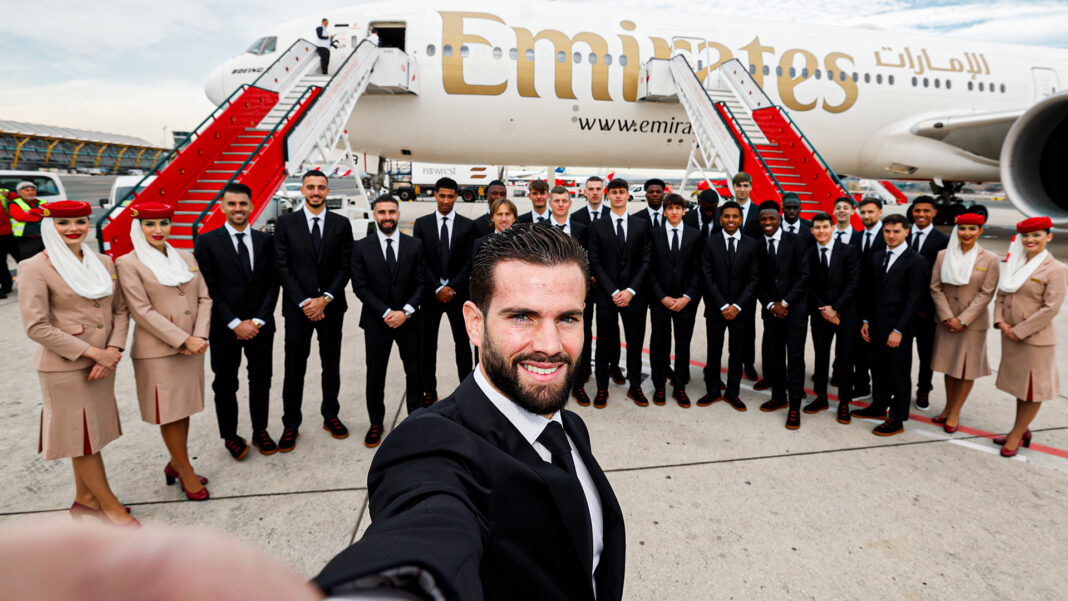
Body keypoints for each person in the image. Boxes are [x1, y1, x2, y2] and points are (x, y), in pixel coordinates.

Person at [315, 223, 626, 601]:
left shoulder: (568, 427)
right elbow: (424, 538)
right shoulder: (430, 446)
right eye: (521, 317)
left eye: (567, 318)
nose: (550, 345)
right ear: (474, 323)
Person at [17, 200, 137, 526]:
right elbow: (36, 326)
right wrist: (95, 353)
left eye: (80, 221)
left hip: (103, 362)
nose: (74, 228)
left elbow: (120, 311)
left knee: (88, 435)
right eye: (64, 222)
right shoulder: (35, 267)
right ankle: (109, 506)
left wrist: (112, 349)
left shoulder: (102, 261)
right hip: (66, 367)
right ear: (49, 227)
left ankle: (85, 501)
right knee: (83, 441)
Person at [116, 203, 212, 501]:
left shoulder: (184, 256)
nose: (158, 230)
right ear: (138, 227)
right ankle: (185, 471)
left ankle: (176, 463)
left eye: (164, 223)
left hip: (192, 346)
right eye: (150, 224)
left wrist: (199, 335)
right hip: (159, 351)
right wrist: (184, 339)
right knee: (169, 414)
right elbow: (140, 310)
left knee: (183, 410)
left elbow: (205, 298)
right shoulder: (128, 263)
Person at [193, 183, 280, 460]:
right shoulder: (206, 242)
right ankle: (230, 435)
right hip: (224, 328)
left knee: (261, 379)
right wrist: (234, 322)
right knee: (226, 383)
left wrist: (257, 321)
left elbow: (272, 284)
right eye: (232, 204)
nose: (238, 209)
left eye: (243, 204)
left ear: (252, 206)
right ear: (222, 207)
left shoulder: (266, 241)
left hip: (260, 326)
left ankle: (260, 430)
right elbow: (210, 288)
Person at [275, 169, 354, 452]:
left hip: (331, 308)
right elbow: (282, 266)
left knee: (330, 366)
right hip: (298, 310)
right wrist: (306, 302)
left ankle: (330, 415)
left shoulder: (341, 224)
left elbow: (346, 265)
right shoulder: (286, 223)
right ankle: (290, 423)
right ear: (303, 190)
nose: (316, 191)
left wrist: (326, 298)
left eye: (321, 187)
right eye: (311, 187)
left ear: (327, 191)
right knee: (294, 368)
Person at [350, 195, 426, 448]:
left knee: (414, 373)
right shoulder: (361, 247)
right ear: (374, 215)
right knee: (375, 374)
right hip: (376, 322)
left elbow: (421, 283)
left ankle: (415, 419)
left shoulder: (414, 245)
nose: (387, 217)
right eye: (382, 212)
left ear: (398, 213)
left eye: (391, 212)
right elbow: (360, 286)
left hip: (409, 322)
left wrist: (405, 311)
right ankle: (376, 422)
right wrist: (385, 313)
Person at [991, 216, 1067, 457]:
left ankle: (1016, 435)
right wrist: (1000, 320)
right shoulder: (1016, 263)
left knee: (1033, 390)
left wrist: (1019, 330)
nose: (1030, 240)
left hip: (1034, 341)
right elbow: (1002, 295)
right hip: (1010, 335)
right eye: (1026, 235)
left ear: (1049, 237)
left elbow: (1051, 308)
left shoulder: (1056, 269)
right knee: (1021, 389)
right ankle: (1020, 428)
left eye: (1036, 235)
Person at [855, 214, 927, 436]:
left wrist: (899, 330)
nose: (891, 236)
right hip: (875, 325)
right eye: (887, 231)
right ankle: (878, 406)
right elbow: (870, 291)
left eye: (896, 231)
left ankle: (897, 418)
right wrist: (866, 320)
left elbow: (914, 300)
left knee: (898, 374)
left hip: (898, 329)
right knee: (877, 368)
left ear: (907, 232)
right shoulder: (877, 257)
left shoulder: (917, 261)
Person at [928, 213, 999, 433]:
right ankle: (948, 407)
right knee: (949, 367)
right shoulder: (943, 255)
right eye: (962, 229)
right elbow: (935, 287)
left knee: (966, 370)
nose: (966, 233)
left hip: (972, 324)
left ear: (980, 231)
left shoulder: (990, 258)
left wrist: (963, 320)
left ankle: (956, 411)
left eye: (971, 229)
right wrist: (948, 317)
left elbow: (986, 294)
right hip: (946, 321)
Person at [588, 178, 651, 407]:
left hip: (634, 297)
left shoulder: (641, 225)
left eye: (621, 192)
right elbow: (595, 261)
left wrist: (630, 291)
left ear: (627, 195)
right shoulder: (598, 225)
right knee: (604, 344)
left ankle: (635, 386)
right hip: (607, 295)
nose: (617, 196)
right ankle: (602, 388)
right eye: (614, 192)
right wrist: (614, 291)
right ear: (609, 195)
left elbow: (646, 261)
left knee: (635, 344)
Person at [413, 177, 475, 404]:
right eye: (442, 196)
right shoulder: (422, 223)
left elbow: (469, 261)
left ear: (456, 196)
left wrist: (452, 286)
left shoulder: (467, 226)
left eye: (451, 196)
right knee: (427, 346)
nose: (446, 200)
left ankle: (466, 389)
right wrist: (437, 287)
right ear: (435, 195)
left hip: (458, 295)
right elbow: (419, 259)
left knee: (463, 345)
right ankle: (429, 389)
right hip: (430, 296)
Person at [753, 201, 810, 429]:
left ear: (779, 219)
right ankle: (778, 397)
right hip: (771, 313)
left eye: (772, 219)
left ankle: (794, 408)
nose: (767, 223)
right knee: (775, 356)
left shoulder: (796, 242)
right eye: (763, 220)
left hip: (794, 311)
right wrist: (769, 304)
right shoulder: (757, 245)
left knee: (795, 359)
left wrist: (784, 303)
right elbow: (757, 279)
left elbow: (804, 276)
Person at [698, 201, 759, 410]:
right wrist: (723, 304)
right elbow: (707, 275)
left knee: (737, 353)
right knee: (713, 351)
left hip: (741, 311)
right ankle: (713, 390)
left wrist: (737, 306)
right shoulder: (710, 242)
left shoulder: (752, 244)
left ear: (740, 219)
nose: (731, 220)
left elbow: (754, 279)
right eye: (727, 216)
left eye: (735, 216)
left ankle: (733, 392)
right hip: (717, 308)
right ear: (720, 219)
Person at [647, 194, 700, 407]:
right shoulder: (654, 234)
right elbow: (649, 269)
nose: (675, 212)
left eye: (679, 208)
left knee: (683, 344)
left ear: (684, 211)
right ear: (665, 211)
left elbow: (699, 270)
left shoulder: (695, 235)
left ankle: (680, 387)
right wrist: (661, 297)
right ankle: (659, 385)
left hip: (685, 301)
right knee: (659, 343)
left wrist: (687, 297)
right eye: (670, 208)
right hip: (661, 300)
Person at [807, 212, 860, 424]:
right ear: (812, 231)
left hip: (845, 315)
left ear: (832, 228)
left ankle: (844, 403)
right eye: (817, 227)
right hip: (820, 314)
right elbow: (808, 284)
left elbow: (854, 283)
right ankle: (820, 397)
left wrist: (835, 308)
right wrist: (824, 310)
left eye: (825, 227)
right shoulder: (808, 253)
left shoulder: (848, 251)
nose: (821, 231)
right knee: (821, 358)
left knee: (845, 360)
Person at [906, 195, 950, 410]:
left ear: (934, 213)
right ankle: (899, 389)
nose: (921, 214)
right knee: (900, 354)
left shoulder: (943, 240)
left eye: (926, 211)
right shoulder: (902, 235)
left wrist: (930, 309)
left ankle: (924, 390)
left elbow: (943, 277)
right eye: (917, 210)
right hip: (902, 308)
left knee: (927, 355)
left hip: (927, 310)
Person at [721, 172, 761, 381]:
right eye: (739, 186)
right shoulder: (725, 210)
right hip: (726, 278)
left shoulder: (757, 212)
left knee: (748, 326)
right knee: (723, 324)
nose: (742, 189)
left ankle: (749, 362)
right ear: (734, 187)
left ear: (750, 187)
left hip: (748, 280)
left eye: (746, 185)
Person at [849, 197, 886, 399]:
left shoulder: (887, 236)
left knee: (878, 351)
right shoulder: (858, 236)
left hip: (879, 302)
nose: (866, 216)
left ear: (880, 212)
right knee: (859, 349)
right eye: (863, 212)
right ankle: (862, 385)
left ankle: (882, 393)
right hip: (858, 302)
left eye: (870, 212)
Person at [571, 176, 606, 384]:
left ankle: (611, 365)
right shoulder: (576, 217)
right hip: (582, 286)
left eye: (598, 189)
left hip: (604, 285)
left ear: (603, 192)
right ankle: (583, 368)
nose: (594, 192)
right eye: (591, 189)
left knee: (607, 330)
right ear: (585, 192)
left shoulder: (612, 215)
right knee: (584, 328)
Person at [8, 181, 46, 260]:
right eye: (27, 190)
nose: (31, 192)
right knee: (30, 261)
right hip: (27, 239)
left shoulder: (43, 202)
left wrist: (32, 212)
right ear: (19, 192)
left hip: (44, 237)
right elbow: (20, 217)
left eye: (33, 190)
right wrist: (39, 216)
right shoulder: (14, 203)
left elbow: (49, 214)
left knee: (46, 260)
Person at [0, 188, 14, 298]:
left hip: (9, 232)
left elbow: (16, 197)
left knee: (22, 259)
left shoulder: (2, 192)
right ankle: (6, 286)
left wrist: (8, 194)